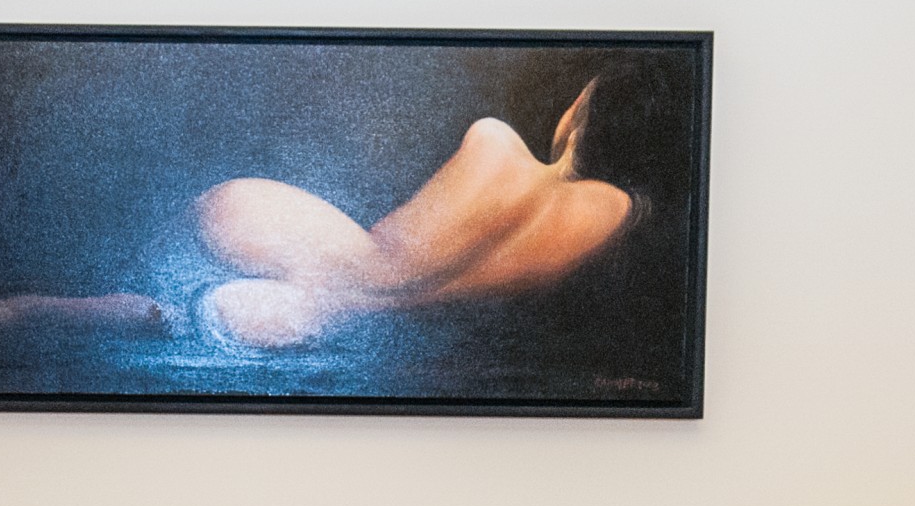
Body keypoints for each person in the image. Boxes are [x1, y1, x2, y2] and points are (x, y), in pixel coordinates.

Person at [193, 78, 631, 349]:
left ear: (576, 112)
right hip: (333, 315)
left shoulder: (497, 145)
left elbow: (390, 258)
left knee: (221, 226)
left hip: (314, 299)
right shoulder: (610, 212)